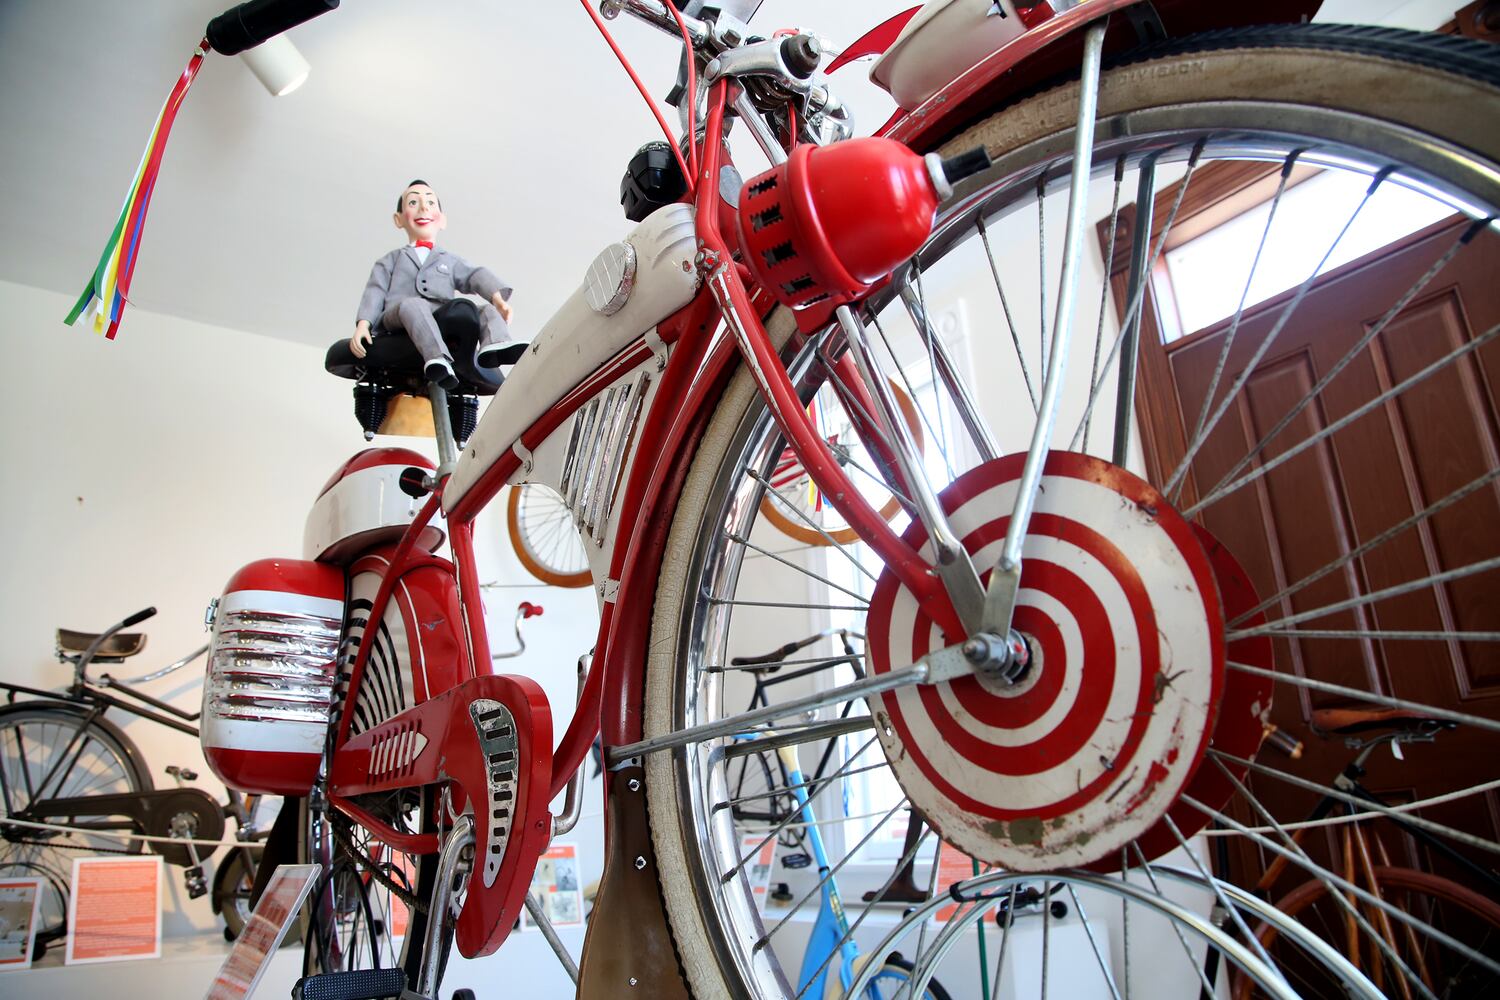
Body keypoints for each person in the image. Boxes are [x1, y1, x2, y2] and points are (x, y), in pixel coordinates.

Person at [351, 179, 516, 389]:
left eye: (430, 203)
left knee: (485, 312)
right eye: (413, 203)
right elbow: (375, 290)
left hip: (440, 312)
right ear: (399, 219)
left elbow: (474, 275)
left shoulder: (449, 259)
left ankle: (497, 345)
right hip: (399, 313)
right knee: (413, 305)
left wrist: (498, 299)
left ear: (442, 220)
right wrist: (363, 325)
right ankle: (437, 358)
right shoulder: (391, 260)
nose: (423, 208)